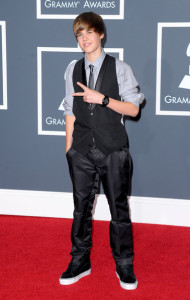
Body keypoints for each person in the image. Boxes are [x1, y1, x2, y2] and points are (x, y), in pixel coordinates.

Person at [59, 11, 144, 290]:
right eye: (79, 35)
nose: (84, 39)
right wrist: (69, 148)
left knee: (119, 210)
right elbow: (70, 110)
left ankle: (124, 263)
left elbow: (132, 109)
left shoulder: (120, 68)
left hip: (113, 149)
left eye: (89, 33)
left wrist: (104, 99)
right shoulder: (72, 68)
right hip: (81, 150)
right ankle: (80, 260)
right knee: (80, 209)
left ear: (101, 33)